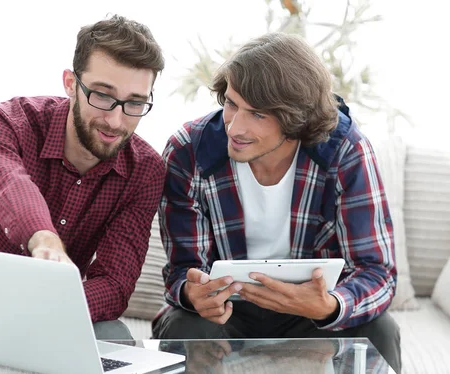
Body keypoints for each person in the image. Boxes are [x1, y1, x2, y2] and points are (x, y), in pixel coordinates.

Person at [0, 14, 166, 353]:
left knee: (115, 338)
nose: (115, 120)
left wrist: (42, 313)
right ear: (71, 83)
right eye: (102, 95)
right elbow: (6, 182)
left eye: (135, 103)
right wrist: (44, 238)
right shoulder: (7, 122)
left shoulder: (145, 170)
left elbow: (114, 282)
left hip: (54, 311)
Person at [152, 32, 401, 373]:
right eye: (231, 103)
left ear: (296, 118)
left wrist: (331, 305)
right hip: (229, 312)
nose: (235, 127)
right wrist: (193, 293)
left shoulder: (345, 150)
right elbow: (182, 269)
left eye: (257, 114)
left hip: (310, 311)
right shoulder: (188, 151)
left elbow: (378, 272)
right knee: (185, 327)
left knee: (380, 329)